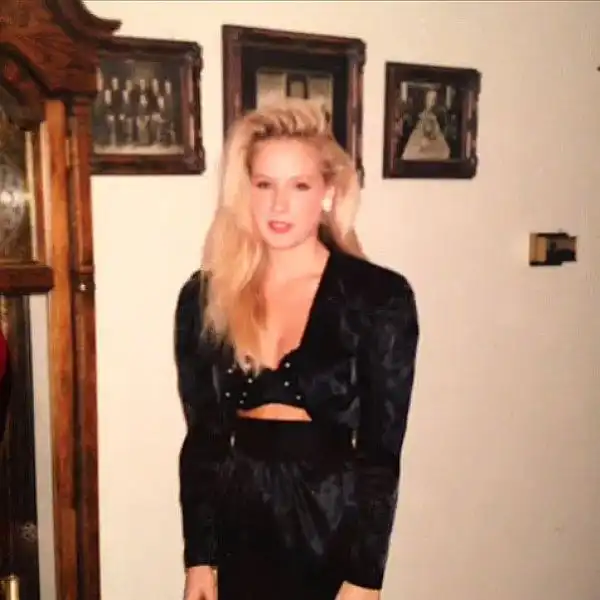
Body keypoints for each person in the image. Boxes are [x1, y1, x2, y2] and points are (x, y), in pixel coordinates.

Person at [174, 99, 420, 600]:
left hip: (331, 526)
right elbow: (203, 440)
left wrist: (365, 576)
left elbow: (381, 452)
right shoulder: (205, 297)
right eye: (264, 184)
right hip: (239, 521)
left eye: (299, 186)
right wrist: (199, 556)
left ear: (328, 193)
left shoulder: (378, 298)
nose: (278, 205)